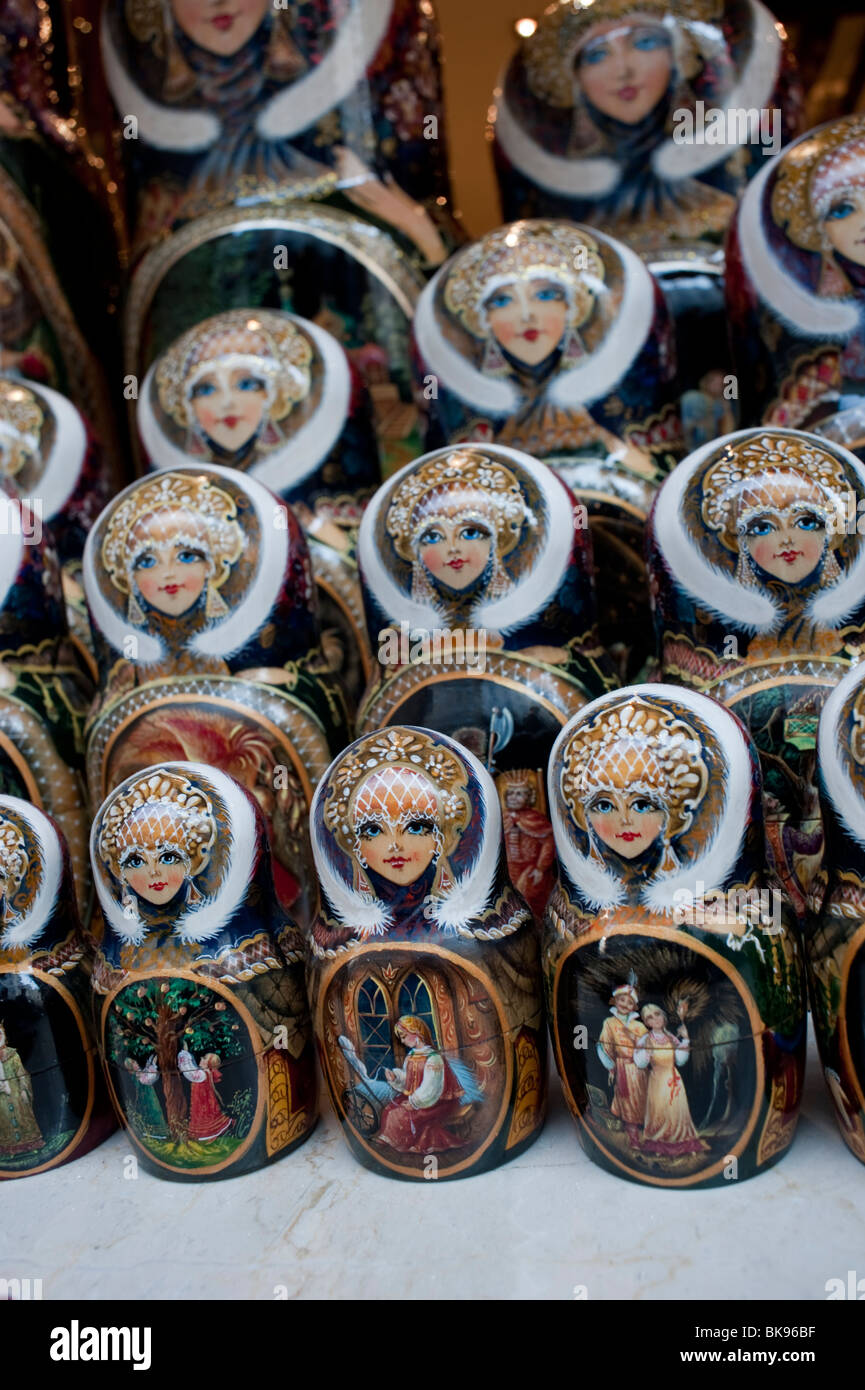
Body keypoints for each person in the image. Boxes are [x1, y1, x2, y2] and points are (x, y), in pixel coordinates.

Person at [376, 1016, 467, 1153]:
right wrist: (396, 1078)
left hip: (436, 1101)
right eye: (400, 1037)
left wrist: (413, 1103)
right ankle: (388, 1141)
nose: (402, 1041)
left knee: (401, 1115)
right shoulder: (411, 1055)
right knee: (389, 1110)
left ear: (416, 1033)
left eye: (404, 1036)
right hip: (419, 1098)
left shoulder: (434, 1058)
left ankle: (396, 1143)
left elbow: (431, 1088)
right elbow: (409, 1080)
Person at [633, 1004, 707, 1156]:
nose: (655, 1019)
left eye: (657, 1014)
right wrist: (646, 1051)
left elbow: (680, 1060)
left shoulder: (671, 1037)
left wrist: (685, 1039)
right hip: (657, 1081)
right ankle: (660, 1142)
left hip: (674, 1079)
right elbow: (640, 1063)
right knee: (660, 1111)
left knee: (676, 1111)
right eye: (650, 1017)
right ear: (647, 1023)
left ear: (663, 1016)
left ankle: (681, 1140)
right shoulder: (645, 1039)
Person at [596, 983, 648, 1145]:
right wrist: (611, 1068)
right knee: (627, 1104)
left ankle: (649, 1137)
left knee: (643, 1101)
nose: (625, 1004)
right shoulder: (609, 1023)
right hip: (623, 1069)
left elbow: (648, 1047)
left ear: (634, 1006)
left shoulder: (639, 1026)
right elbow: (605, 1046)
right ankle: (634, 1140)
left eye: (629, 1002)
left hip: (640, 1070)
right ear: (615, 1000)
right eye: (622, 1000)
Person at [500, 773, 555, 919]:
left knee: (530, 901)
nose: (513, 797)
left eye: (519, 794)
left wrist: (541, 868)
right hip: (509, 869)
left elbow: (548, 844)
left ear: (529, 797)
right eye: (510, 793)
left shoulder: (536, 819)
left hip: (531, 869)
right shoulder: (502, 818)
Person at [0, 1021, 43, 1156]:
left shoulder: (13, 1055)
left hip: (16, 1092)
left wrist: (24, 1089)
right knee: (4, 1118)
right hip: (1, 1096)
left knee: (22, 1116)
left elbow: (22, 1074)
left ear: (4, 1035)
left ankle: (31, 1144)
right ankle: (10, 1149)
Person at [177, 1048, 233, 1142]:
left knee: (205, 1119)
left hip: (203, 1104)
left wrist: (184, 1055)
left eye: (204, 1058)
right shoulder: (206, 1072)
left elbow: (189, 1071)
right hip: (203, 1102)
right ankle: (208, 1136)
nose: (201, 1059)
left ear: (209, 1064)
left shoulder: (202, 1074)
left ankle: (209, 1135)